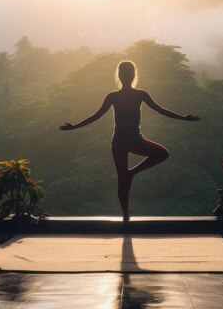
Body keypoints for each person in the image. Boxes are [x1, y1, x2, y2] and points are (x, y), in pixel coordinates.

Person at [60, 60, 200, 221]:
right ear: (134, 75)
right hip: (133, 140)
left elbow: (95, 116)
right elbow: (161, 111)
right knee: (160, 154)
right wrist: (184, 118)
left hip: (121, 141)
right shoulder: (138, 94)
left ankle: (126, 213)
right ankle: (130, 181)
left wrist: (74, 126)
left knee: (123, 177)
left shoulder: (115, 96)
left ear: (119, 76)